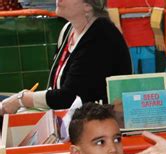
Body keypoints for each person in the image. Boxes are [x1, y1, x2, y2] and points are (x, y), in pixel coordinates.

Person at [0, 0, 132, 115]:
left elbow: (68, 98)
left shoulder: (101, 36)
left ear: (88, 5)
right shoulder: (68, 29)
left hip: (99, 124)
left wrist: (21, 99)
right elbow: (57, 88)